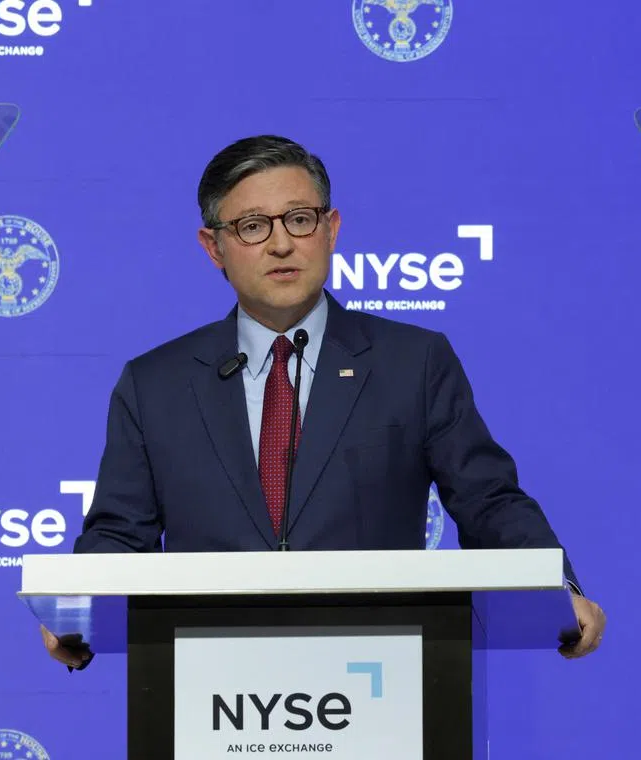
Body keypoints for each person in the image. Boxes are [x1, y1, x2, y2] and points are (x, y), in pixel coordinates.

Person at [42, 135, 606, 667]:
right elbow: (119, 533)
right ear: (213, 247)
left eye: (300, 219)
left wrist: (561, 591)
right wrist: (79, 607)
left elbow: (488, 501)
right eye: (253, 226)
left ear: (331, 229)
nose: (282, 243)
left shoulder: (413, 363)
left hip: (380, 675)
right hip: (213, 685)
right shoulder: (156, 383)